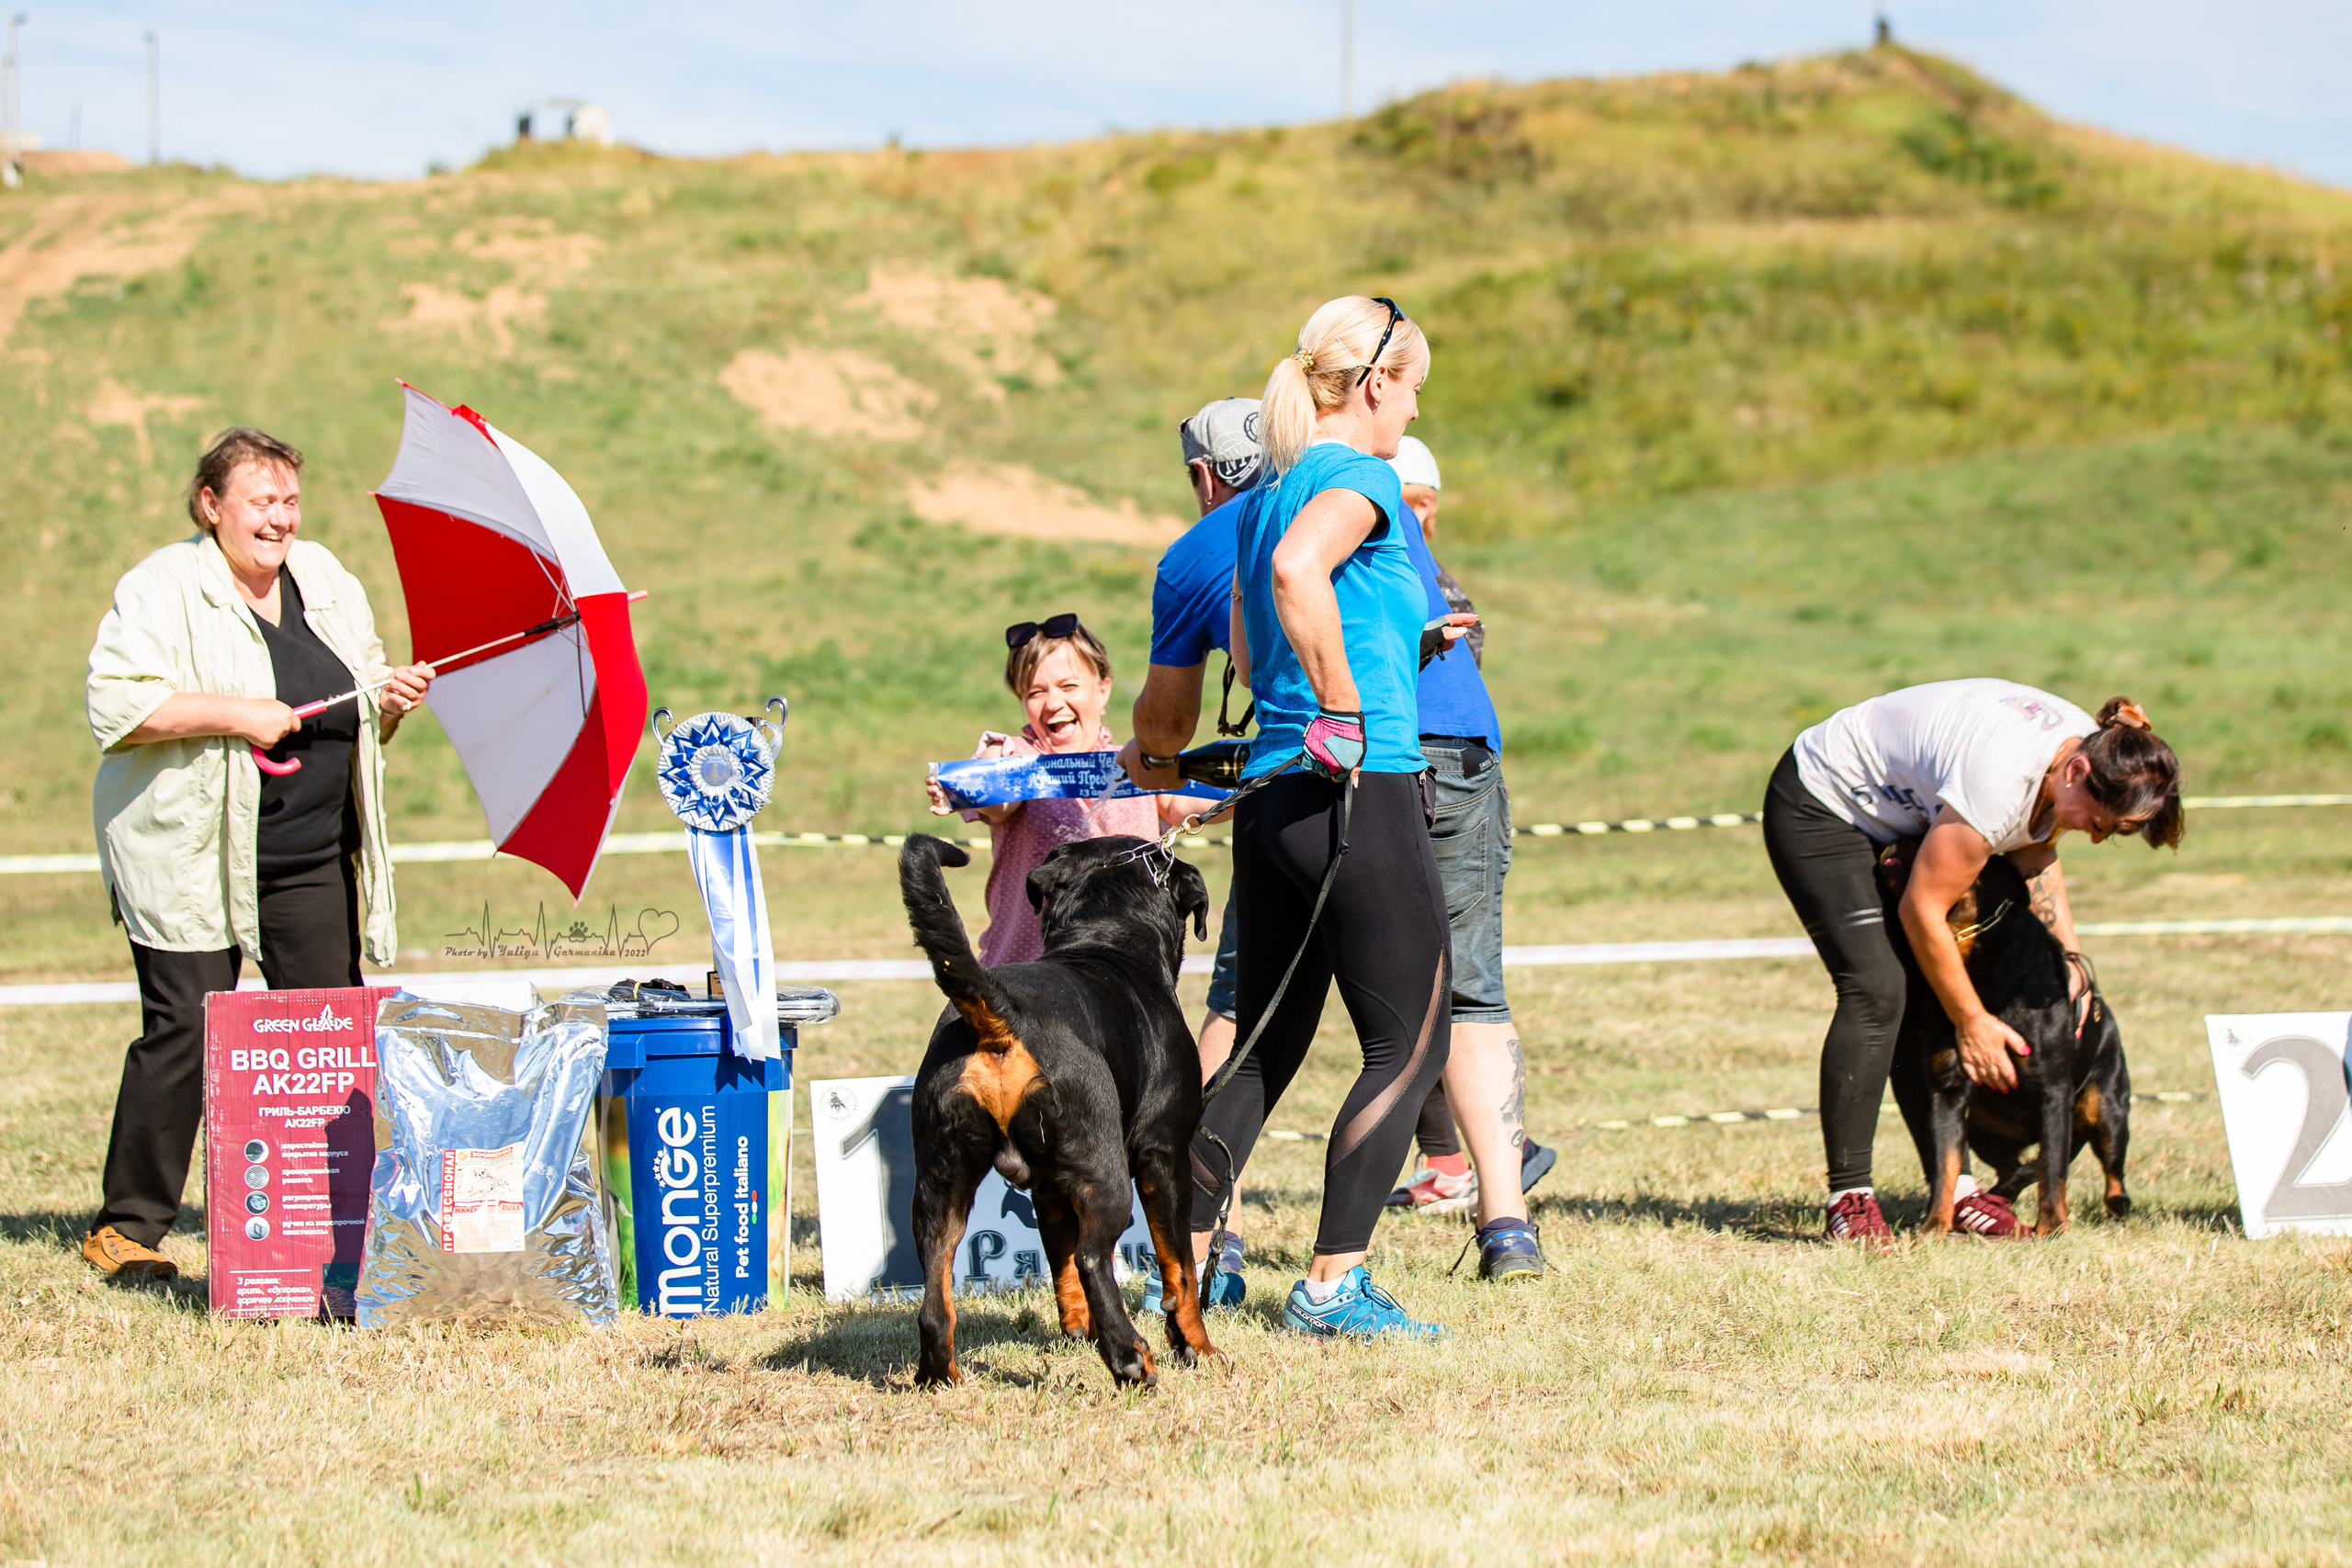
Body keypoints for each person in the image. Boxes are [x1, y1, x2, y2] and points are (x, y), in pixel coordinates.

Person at [83, 428, 435, 1280]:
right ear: (211, 507)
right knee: (183, 1031)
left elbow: (357, 710)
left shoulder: (327, 578)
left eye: (289, 501)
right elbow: (117, 708)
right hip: (191, 850)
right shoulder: (163, 586)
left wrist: (390, 700)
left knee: (329, 1032)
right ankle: (125, 1229)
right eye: (260, 502)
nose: (279, 521)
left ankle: (340, 1218)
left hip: (311, 854)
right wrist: (241, 713)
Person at [1186, 294, 1470, 1339]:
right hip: (1358, 781)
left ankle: (1183, 1261)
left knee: (1262, 1044)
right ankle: (1330, 1285)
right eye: (1410, 391)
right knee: (1413, 1040)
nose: (1409, 413)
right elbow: (1296, 574)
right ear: (1371, 385)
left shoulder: (1269, 492)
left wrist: (1349, 672)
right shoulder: (1361, 476)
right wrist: (1349, 706)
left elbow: (1252, 645)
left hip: (1275, 790)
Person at [1761, 680, 2184, 1243]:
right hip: (1823, 805)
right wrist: (1972, 1022)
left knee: (1924, 992)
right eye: (2101, 823)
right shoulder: (2002, 776)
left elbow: (2035, 852)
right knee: (1879, 988)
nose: (2096, 836)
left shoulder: (2087, 753)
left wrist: (2072, 960)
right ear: (2077, 773)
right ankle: (1851, 1198)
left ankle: (1954, 1193)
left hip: (1902, 820)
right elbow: (1923, 910)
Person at [1372, 434, 1554, 1280]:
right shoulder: (1405, 542)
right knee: (1457, 982)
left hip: (1373, 752)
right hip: (1447, 756)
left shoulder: (1301, 507)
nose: (1414, 513)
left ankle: (1205, 1234)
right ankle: (1502, 1211)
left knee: (1402, 986)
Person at [926, 615, 1190, 967]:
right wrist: (970, 786)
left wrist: (1254, 783)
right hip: (1027, 980)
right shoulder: (1016, 756)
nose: (1052, 703)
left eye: (1068, 686)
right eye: (1035, 692)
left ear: (1103, 689)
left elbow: (1185, 800)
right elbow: (1000, 796)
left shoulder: (1139, 761)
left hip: (1126, 977)